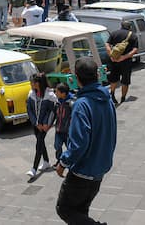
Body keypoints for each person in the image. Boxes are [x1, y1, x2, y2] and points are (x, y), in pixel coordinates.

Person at [54, 56, 117, 224]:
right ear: (97, 75)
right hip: (99, 169)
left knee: (65, 209)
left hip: (82, 172)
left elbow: (78, 143)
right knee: (81, 212)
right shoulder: (108, 99)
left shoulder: (81, 104)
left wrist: (63, 162)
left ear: (76, 78)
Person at [26, 72, 56, 179]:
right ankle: (46, 161)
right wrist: (36, 123)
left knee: (38, 144)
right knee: (41, 142)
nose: (31, 84)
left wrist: (46, 124)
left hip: (44, 125)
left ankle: (33, 169)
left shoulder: (50, 95)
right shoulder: (31, 94)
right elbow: (29, 110)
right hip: (36, 125)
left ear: (38, 83)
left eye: (32, 82)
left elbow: (52, 111)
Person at [104, 25, 138, 105]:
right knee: (125, 81)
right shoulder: (133, 35)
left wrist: (111, 55)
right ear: (129, 27)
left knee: (113, 79)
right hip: (126, 62)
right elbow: (135, 50)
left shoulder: (114, 33)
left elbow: (107, 44)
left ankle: (112, 94)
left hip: (114, 60)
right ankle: (123, 98)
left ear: (121, 26)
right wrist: (124, 57)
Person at [52, 82, 73, 162]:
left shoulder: (71, 103)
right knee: (57, 146)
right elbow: (54, 114)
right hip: (59, 129)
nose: (55, 93)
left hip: (68, 131)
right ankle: (59, 161)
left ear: (63, 93)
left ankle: (71, 162)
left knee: (70, 147)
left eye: (57, 91)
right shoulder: (57, 102)